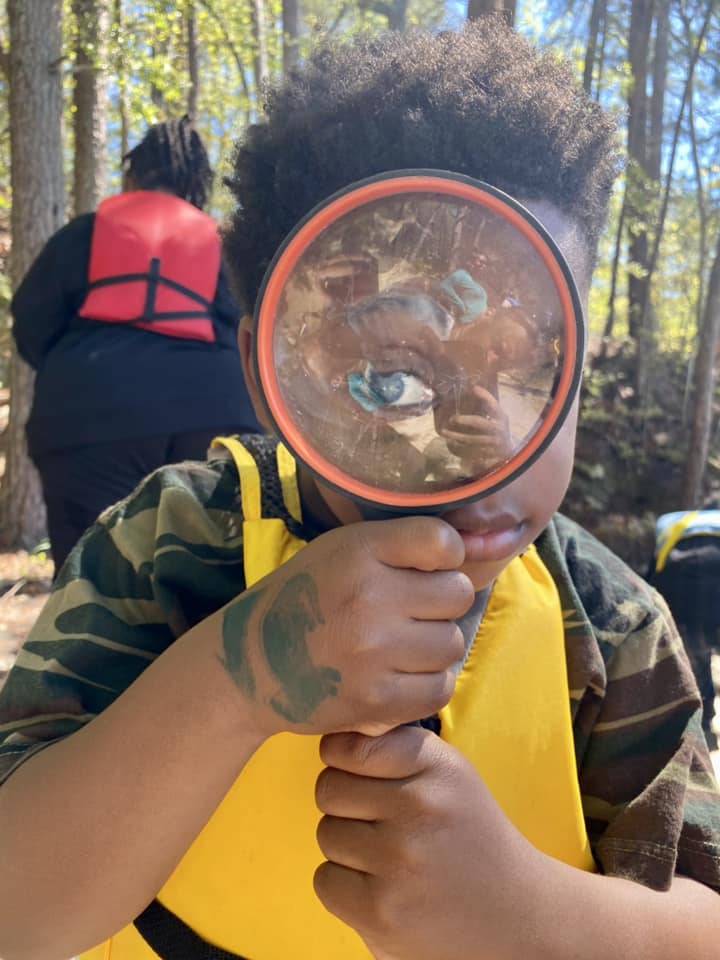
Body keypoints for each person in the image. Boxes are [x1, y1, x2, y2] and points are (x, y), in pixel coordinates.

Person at [1, 21, 720, 960]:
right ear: (269, 378)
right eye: (392, 371)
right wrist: (234, 681)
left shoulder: (615, 629)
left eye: (536, 370)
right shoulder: (170, 546)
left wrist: (534, 915)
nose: (487, 440)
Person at [11, 116, 261, 571]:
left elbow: (30, 323)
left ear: (135, 174)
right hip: (217, 420)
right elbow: (253, 332)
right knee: (211, 584)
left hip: (88, 419)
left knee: (89, 583)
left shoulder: (83, 235)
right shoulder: (223, 245)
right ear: (196, 183)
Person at [648, 507, 720, 750]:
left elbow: (654, 571)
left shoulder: (671, 520)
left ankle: (701, 727)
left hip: (679, 586)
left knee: (694, 659)